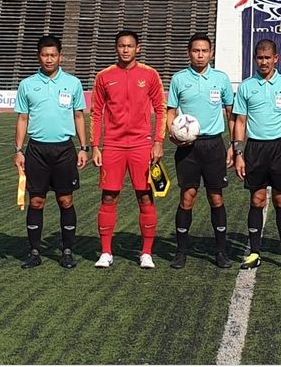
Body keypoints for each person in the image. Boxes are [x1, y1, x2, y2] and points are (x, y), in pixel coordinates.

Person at [90, 30, 166, 269]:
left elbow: (161, 109)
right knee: (109, 196)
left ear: (138, 48)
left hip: (141, 146)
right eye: (121, 46)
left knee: (145, 196)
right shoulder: (104, 76)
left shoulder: (150, 75)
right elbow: (96, 113)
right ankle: (106, 252)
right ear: (116, 48)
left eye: (130, 46)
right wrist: (95, 146)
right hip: (112, 146)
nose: (125, 50)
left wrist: (158, 141)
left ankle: (146, 253)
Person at [14, 34, 88, 269]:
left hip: (64, 149)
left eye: (53, 55)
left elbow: (79, 116)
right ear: (39, 56)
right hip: (36, 149)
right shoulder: (27, 84)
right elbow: (23, 118)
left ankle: (67, 251)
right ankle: (34, 252)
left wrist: (84, 147)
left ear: (60, 56)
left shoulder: (73, 83)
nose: (49, 59)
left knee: (65, 200)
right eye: (45, 55)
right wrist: (18, 149)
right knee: (36, 201)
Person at [232, 39, 281, 271]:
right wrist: (238, 152)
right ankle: (254, 253)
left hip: (280, 149)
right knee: (257, 199)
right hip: (255, 149)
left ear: (276, 58)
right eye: (259, 58)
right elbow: (240, 121)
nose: (263, 62)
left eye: (267, 57)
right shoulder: (246, 86)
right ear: (255, 59)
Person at [166, 32, 235, 269]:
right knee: (188, 197)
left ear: (211, 53)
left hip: (214, 145)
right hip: (188, 148)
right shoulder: (178, 79)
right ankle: (181, 251)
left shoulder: (221, 79)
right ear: (189, 53)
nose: (200, 55)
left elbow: (230, 113)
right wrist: (172, 135)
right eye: (196, 50)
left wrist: (234, 146)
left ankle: (221, 251)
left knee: (216, 197)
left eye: (204, 51)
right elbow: (171, 112)